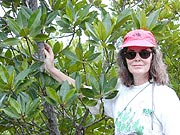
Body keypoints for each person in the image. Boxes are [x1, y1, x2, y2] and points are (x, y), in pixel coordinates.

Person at [43, 29, 180, 135]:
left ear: (153, 57)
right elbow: (86, 93)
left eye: (144, 53)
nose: (137, 58)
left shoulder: (166, 97)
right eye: (131, 54)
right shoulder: (119, 90)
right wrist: (51, 69)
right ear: (124, 59)